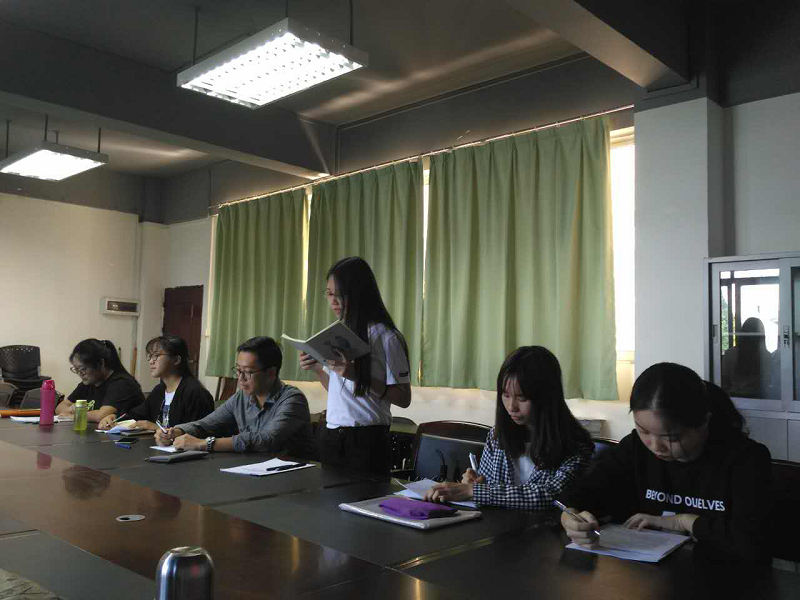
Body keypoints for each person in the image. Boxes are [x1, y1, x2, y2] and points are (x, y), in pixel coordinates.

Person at [560, 362, 772, 563]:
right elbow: (583, 494)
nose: (655, 446)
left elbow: (750, 542)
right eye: (643, 431)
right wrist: (570, 518)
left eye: (671, 438)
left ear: (703, 422)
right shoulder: (635, 448)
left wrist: (682, 521)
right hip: (645, 575)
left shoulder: (746, 459)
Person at [424, 346, 594, 509]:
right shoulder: (497, 436)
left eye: (522, 398)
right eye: (505, 395)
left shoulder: (575, 445)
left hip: (545, 528)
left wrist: (475, 491)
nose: (511, 406)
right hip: (498, 525)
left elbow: (552, 496)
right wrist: (475, 483)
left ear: (546, 397)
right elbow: (487, 488)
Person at [299, 256, 411, 475]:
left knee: (363, 495)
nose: (333, 302)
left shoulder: (386, 337)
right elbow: (339, 391)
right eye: (329, 294)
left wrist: (357, 376)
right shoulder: (340, 334)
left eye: (340, 295)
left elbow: (403, 398)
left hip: (366, 439)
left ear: (360, 294)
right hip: (332, 434)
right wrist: (317, 369)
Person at [155, 336, 316, 458]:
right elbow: (205, 424)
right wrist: (176, 431)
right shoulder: (241, 398)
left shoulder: (292, 399)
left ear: (271, 373)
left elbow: (266, 440)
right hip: (254, 471)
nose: (240, 378)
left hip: (293, 478)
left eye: (248, 372)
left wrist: (205, 444)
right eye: (238, 370)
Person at [97, 335, 213, 431]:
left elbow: (199, 431)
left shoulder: (195, 393)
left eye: (156, 356)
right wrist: (114, 417)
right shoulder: (159, 390)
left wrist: (156, 428)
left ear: (176, 360)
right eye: (150, 356)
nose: (151, 361)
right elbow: (136, 415)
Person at [56, 339, 144, 423]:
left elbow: (101, 415)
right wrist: (70, 409)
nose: (80, 373)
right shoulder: (88, 383)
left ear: (101, 363)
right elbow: (59, 408)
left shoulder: (122, 383)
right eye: (76, 369)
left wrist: (74, 415)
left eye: (82, 369)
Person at [721, 316, 779, 399]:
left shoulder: (730, 353)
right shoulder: (765, 356)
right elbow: (768, 381)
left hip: (735, 398)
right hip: (759, 400)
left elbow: (725, 380)